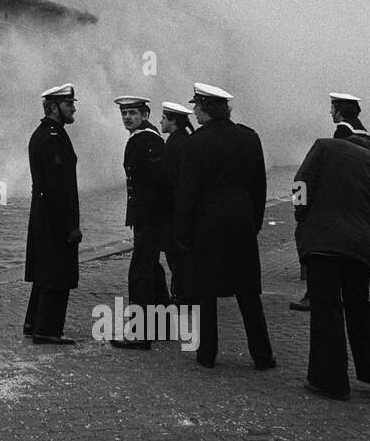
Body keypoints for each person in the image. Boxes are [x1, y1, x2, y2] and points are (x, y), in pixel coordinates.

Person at [293, 127, 370, 400]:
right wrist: (369, 222)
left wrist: (302, 214)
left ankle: (330, 382)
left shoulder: (325, 147)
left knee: (327, 309)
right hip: (359, 247)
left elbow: (300, 183)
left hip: (322, 244)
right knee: (359, 305)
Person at [174, 82, 276, 370]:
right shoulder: (249, 138)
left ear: (206, 109)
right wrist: (252, 222)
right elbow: (259, 187)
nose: (193, 111)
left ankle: (207, 354)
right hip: (241, 223)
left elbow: (187, 193)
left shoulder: (195, 143)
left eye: (196, 106)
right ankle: (262, 355)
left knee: (206, 292)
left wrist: (181, 232)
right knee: (248, 292)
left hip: (206, 226)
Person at [292, 92, 370, 311]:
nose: (330, 112)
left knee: (313, 242)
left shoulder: (342, 133)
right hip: (355, 206)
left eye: (332, 108)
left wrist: (301, 211)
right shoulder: (361, 130)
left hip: (333, 202)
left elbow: (328, 168)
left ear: (339, 110)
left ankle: (314, 295)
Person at [23, 82, 82, 345]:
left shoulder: (42, 133)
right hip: (55, 218)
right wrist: (70, 225)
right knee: (57, 274)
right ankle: (47, 330)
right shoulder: (54, 138)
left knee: (45, 272)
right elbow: (60, 187)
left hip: (43, 214)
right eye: (69, 105)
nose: (73, 110)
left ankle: (33, 322)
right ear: (54, 108)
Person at [111, 96, 170, 350]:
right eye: (124, 114)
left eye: (133, 113)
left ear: (145, 115)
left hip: (149, 216)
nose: (127, 118)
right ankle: (164, 326)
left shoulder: (146, 140)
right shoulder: (147, 138)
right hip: (149, 216)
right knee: (152, 269)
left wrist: (146, 216)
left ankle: (140, 333)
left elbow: (156, 183)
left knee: (140, 273)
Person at [158, 101, 195, 305]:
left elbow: (171, 180)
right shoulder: (185, 139)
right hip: (181, 209)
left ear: (172, 121)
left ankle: (182, 295)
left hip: (174, 211)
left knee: (176, 254)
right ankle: (184, 293)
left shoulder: (173, 144)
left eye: (164, 118)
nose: (161, 121)